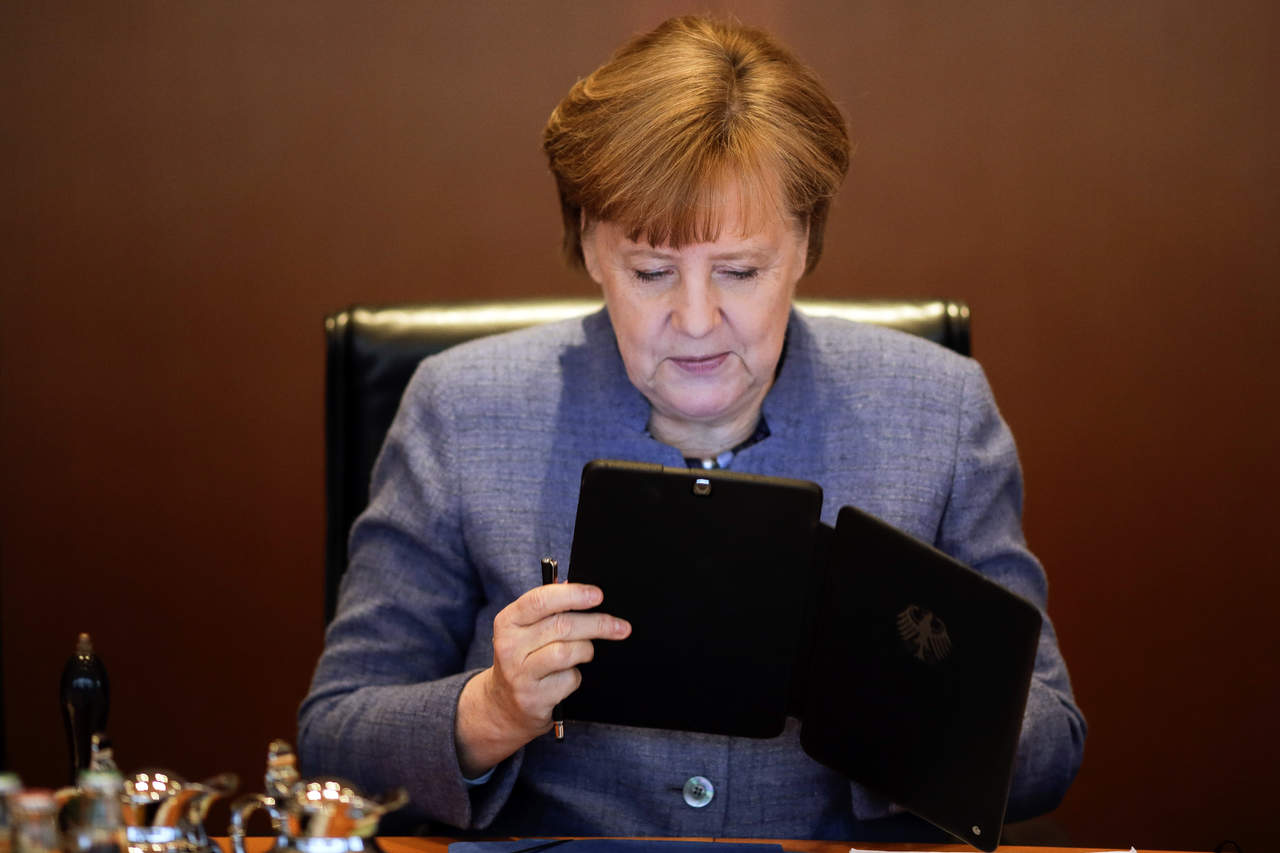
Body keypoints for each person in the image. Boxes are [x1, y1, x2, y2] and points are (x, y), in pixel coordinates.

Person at [299, 15, 1085, 840]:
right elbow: (335, 737)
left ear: (804, 245)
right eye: (651, 272)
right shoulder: (461, 410)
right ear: (590, 247)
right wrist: (491, 709)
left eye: (740, 271)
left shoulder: (941, 412)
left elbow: (1051, 742)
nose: (698, 320)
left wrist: (896, 700)